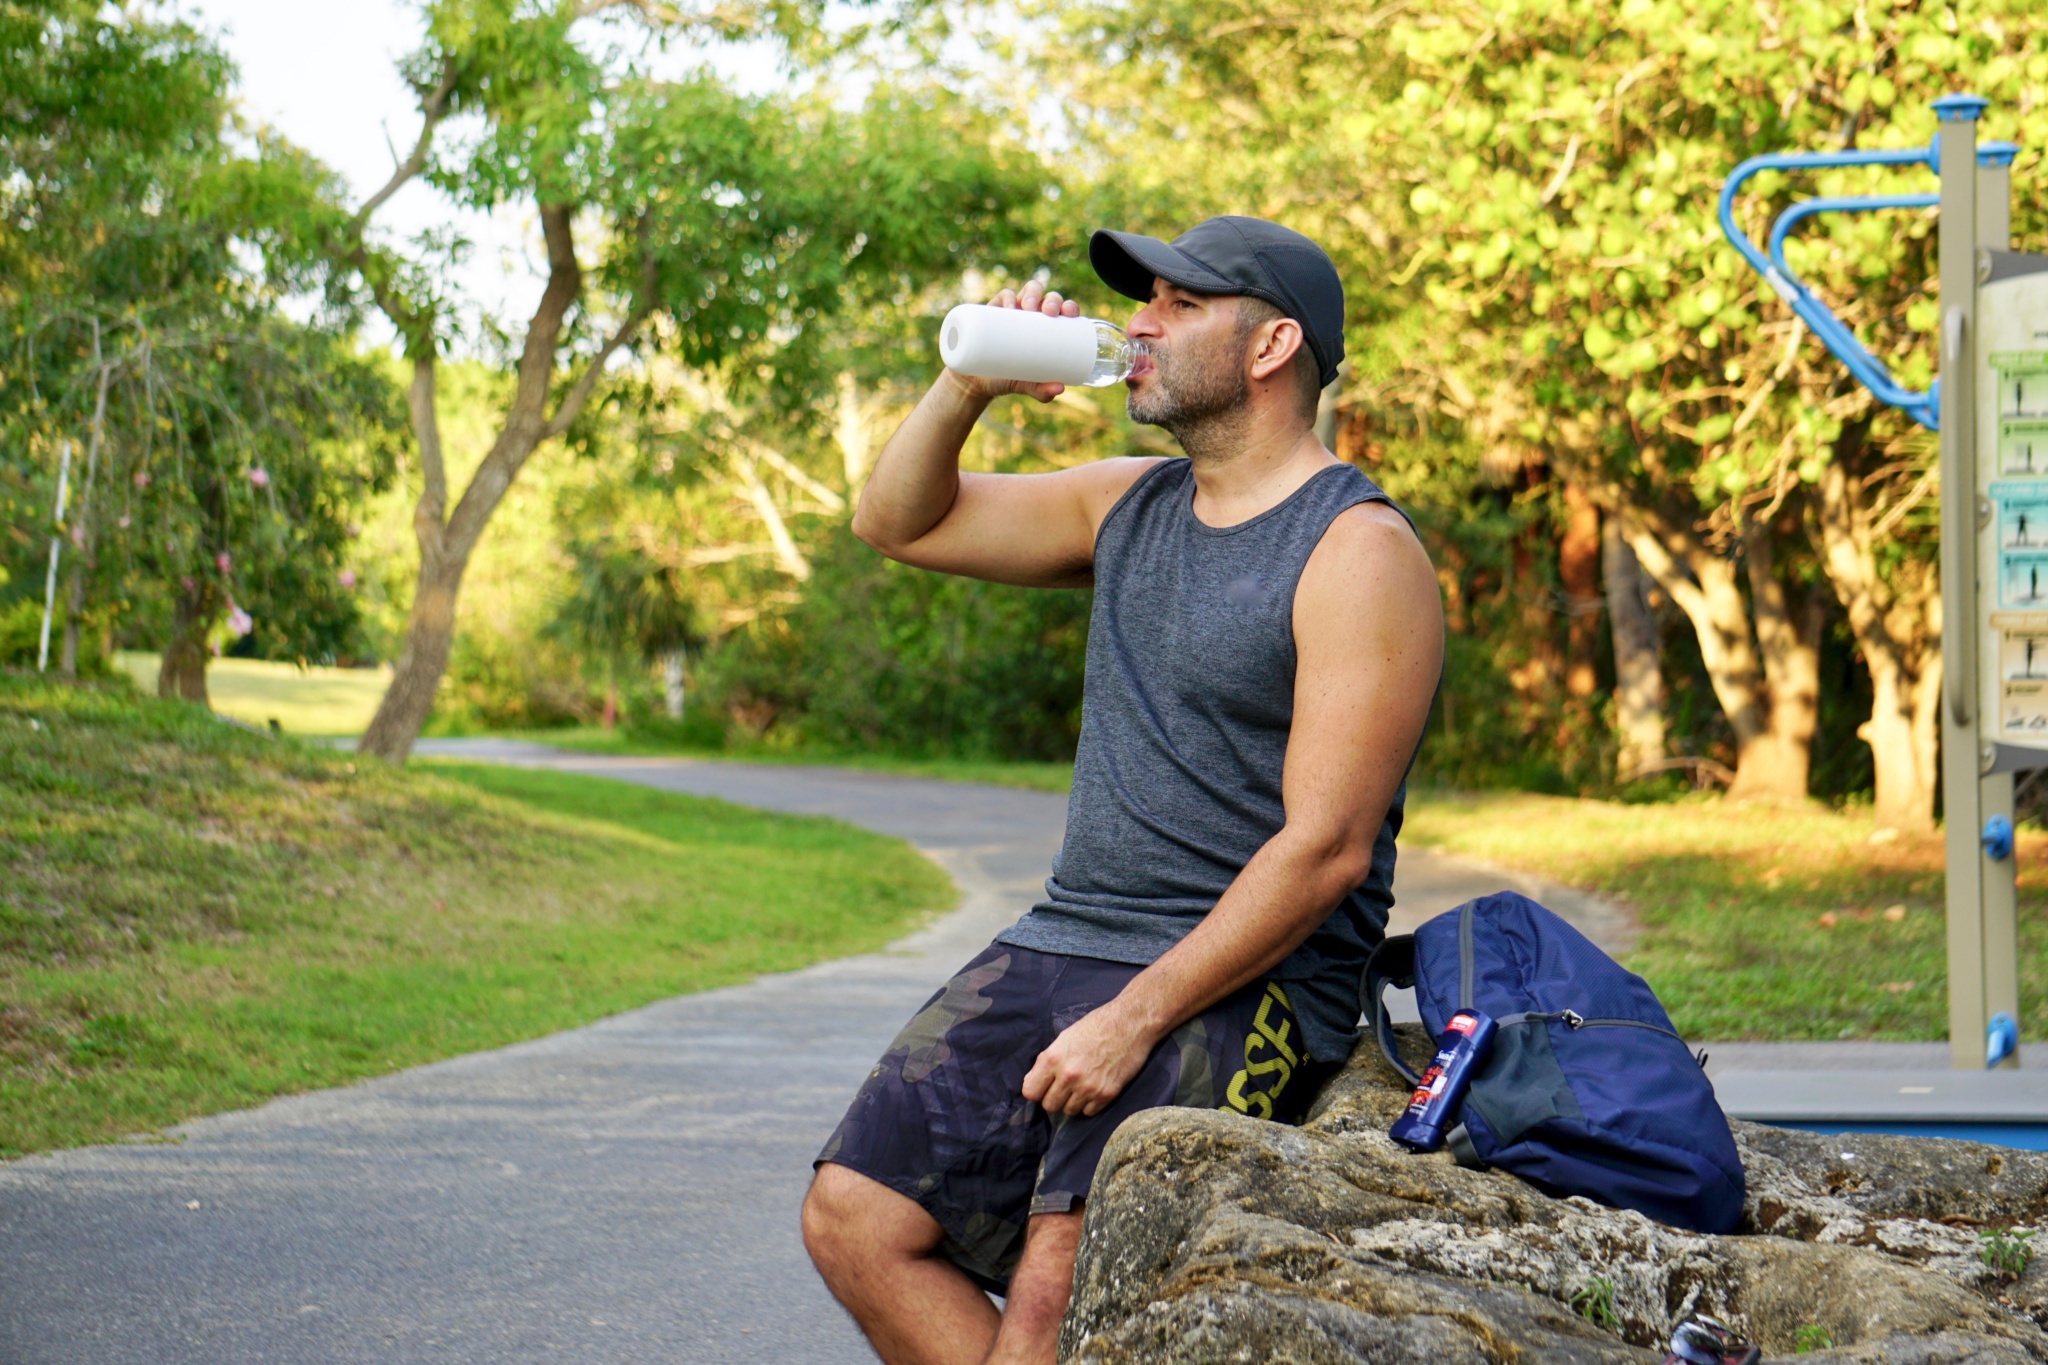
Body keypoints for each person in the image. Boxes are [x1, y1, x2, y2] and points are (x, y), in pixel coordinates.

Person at [801, 216, 1443, 1365]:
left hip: (1247, 976)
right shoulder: (1125, 503)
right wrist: (965, 385)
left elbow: (1327, 851)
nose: (1137, 325)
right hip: (1068, 934)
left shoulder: (1356, 549)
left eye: (1179, 305)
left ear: (1269, 346)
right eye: (1144, 300)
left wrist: (1132, 1017)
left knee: (1057, 1285)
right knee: (853, 1215)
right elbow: (893, 521)